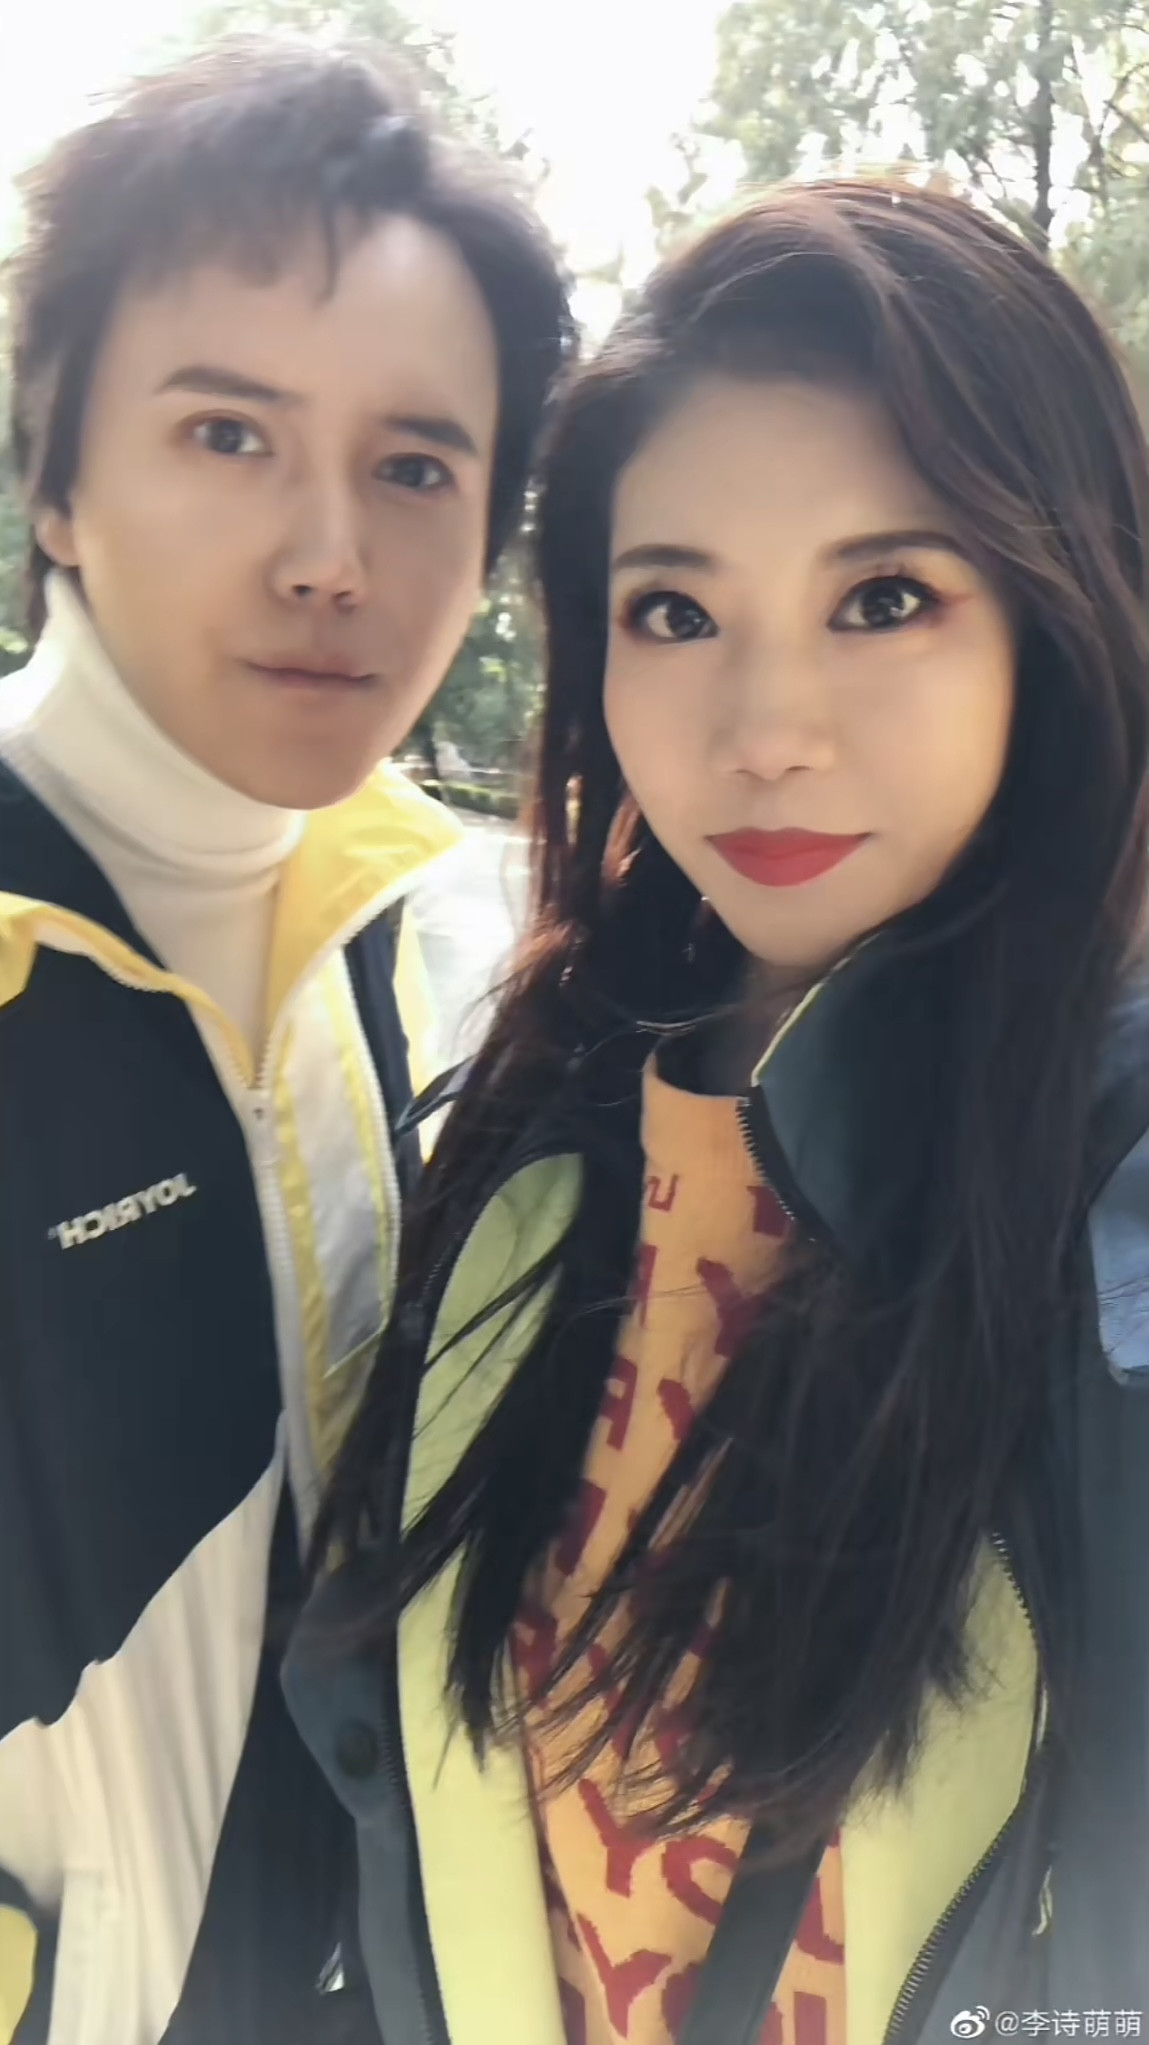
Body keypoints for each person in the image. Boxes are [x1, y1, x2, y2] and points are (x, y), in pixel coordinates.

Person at [285, 180, 1149, 2045]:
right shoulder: (532, 1138)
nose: (763, 727)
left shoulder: (1104, 1195)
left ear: (1061, 614)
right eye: (672, 609)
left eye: (884, 598)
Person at [0, 38, 571, 2045]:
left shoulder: (448, 942)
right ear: (58, 482)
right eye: (228, 432)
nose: (331, 552)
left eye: (415, 466)